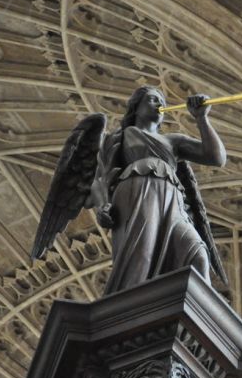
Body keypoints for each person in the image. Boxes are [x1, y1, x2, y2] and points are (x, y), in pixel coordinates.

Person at [92, 86, 227, 294]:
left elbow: (216, 157)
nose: (160, 105)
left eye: (162, 102)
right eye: (153, 100)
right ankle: (131, 308)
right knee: (141, 259)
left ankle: (196, 319)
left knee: (198, 256)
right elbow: (100, 176)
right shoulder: (121, 137)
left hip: (172, 201)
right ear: (136, 107)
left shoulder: (173, 141)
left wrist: (201, 119)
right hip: (137, 194)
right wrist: (102, 206)